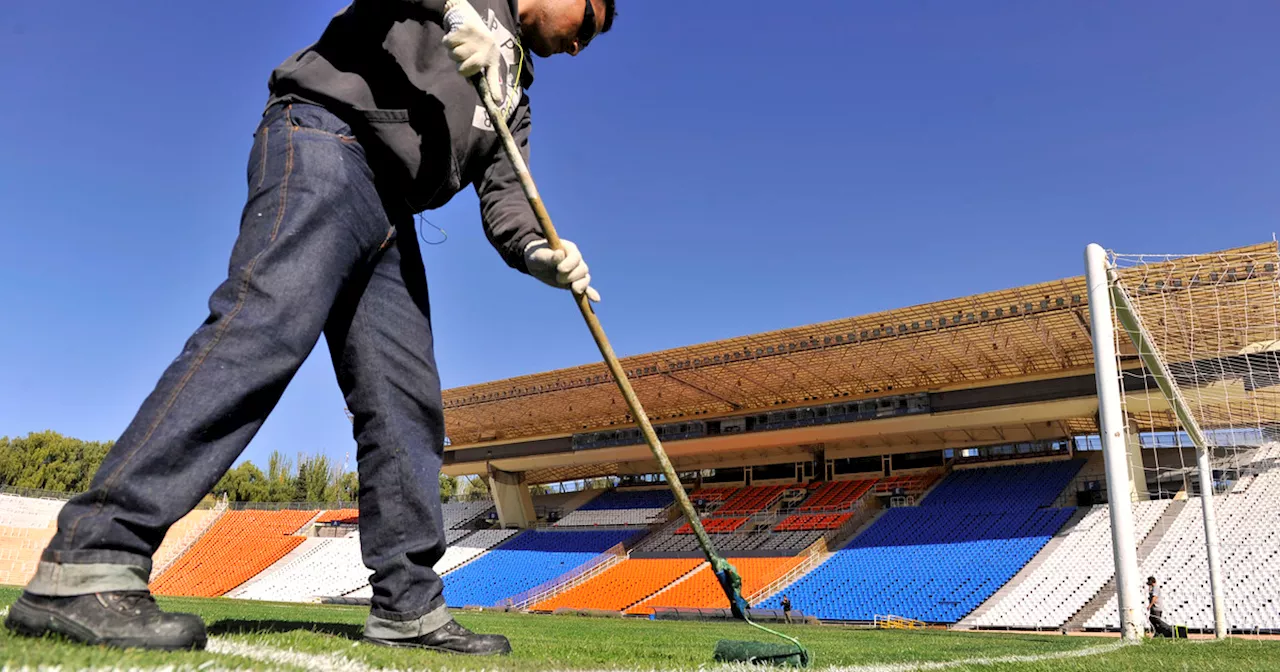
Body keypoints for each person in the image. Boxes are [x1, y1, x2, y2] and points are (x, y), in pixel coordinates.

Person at [4, 0, 615, 656]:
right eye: (589, 24)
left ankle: (408, 605)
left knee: (406, 406)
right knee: (265, 328)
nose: (581, 46)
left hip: (393, 212)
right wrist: (456, 7)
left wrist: (539, 254)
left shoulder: (512, 96)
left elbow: (507, 201)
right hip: (328, 140)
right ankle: (91, 556)